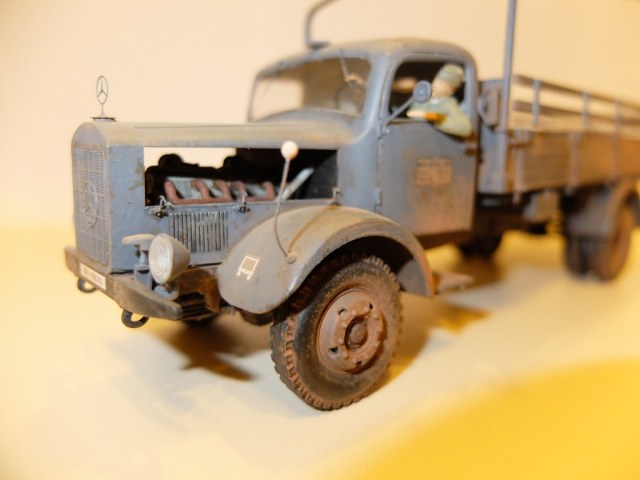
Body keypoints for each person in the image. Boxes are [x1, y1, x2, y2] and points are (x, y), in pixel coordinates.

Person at [407, 63, 472, 137]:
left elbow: (465, 128)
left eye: (442, 84)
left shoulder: (448, 104)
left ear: (451, 91)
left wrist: (432, 117)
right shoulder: (422, 98)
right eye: (436, 81)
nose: (436, 86)